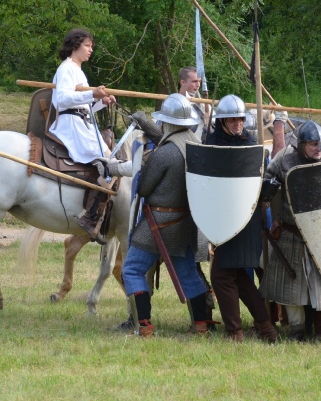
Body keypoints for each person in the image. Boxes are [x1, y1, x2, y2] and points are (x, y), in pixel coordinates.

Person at [103, 94, 213, 337]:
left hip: (159, 224)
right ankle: (201, 325)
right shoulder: (195, 145)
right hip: (185, 223)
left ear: (168, 122)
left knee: (132, 269)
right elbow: (165, 139)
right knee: (188, 273)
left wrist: (140, 166)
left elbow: (143, 188)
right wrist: (144, 122)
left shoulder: (164, 154)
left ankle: (143, 326)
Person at [259, 120, 321, 344]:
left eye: (320, 143)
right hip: (292, 232)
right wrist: (269, 185)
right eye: (313, 144)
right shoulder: (284, 160)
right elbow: (266, 185)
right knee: (291, 288)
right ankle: (297, 329)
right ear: (301, 145)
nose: (318, 149)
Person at [203, 95, 278, 343]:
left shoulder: (250, 145)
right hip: (223, 218)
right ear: (222, 122)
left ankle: (235, 332)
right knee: (239, 276)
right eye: (232, 119)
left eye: (241, 119)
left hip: (244, 219)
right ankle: (266, 328)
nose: (238, 124)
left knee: (221, 276)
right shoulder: (212, 144)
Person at [48, 29, 116, 242]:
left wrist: (99, 102)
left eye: (91, 46)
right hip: (71, 126)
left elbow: (84, 107)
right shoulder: (67, 68)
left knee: (113, 164)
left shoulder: (78, 70)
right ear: (75, 45)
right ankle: (90, 217)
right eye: (87, 45)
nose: (91, 49)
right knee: (111, 166)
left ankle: (96, 216)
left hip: (82, 122)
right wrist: (91, 93)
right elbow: (62, 99)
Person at [178, 66, 211, 139]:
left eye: (199, 81)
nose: (198, 85)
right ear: (183, 82)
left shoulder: (203, 104)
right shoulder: (174, 105)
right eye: (194, 81)